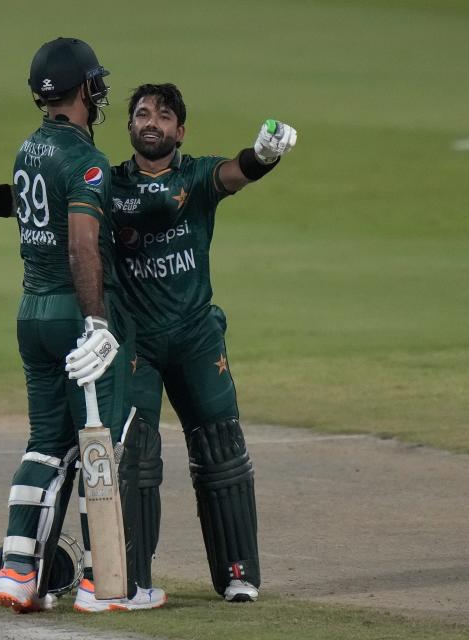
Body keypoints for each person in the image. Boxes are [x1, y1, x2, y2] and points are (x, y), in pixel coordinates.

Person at [0, 38, 165, 614]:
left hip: (31, 316)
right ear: (86, 90)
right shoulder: (87, 161)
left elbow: (18, 206)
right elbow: (83, 246)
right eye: (96, 83)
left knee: (45, 445)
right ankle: (102, 586)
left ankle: (18, 573)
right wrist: (97, 323)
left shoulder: (30, 150)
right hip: (76, 317)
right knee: (103, 448)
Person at [108, 83, 297, 603]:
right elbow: (44, 198)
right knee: (136, 457)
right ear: (129, 126)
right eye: (143, 114)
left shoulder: (195, 176)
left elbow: (236, 172)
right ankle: (132, 578)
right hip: (135, 343)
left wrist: (264, 155)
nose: (152, 123)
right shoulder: (106, 184)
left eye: (164, 117)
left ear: (180, 131)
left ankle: (239, 574)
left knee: (221, 450)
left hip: (194, 337)